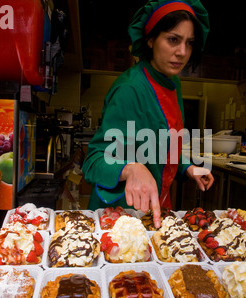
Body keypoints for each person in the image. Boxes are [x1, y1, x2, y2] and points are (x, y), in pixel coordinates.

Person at [82, 0, 213, 228]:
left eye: (189, 43)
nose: (182, 52)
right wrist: (130, 168)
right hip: (118, 216)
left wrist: (187, 167)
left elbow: (158, 146)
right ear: (151, 39)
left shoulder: (173, 84)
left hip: (154, 209)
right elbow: (93, 162)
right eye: (173, 39)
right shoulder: (130, 89)